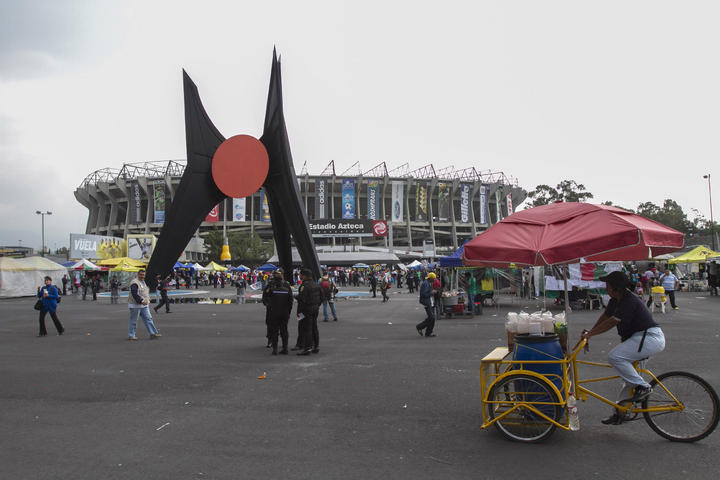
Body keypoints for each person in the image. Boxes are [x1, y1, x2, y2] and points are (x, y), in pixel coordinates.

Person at [580, 271, 664, 425]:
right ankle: (620, 412)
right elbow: (606, 317)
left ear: (616, 288)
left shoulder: (629, 300)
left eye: (607, 285)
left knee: (615, 357)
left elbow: (612, 321)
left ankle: (643, 387)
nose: (606, 288)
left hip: (649, 338)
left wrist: (590, 334)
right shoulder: (616, 300)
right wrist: (590, 332)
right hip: (640, 338)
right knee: (629, 379)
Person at [262, 268, 294, 355]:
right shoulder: (271, 284)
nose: (278, 275)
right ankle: (271, 342)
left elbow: (290, 300)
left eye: (279, 273)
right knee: (273, 328)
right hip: (277, 311)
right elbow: (265, 295)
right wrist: (267, 304)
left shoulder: (286, 284)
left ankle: (277, 348)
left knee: (277, 329)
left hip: (275, 311)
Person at [128, 270, 161, 340]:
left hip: (144, 305)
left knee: (148, 318)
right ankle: (131, 335)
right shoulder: (134, 283)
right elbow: (134, 293)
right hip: (135, 305)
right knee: (134, 320)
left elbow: (144, 292)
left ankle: (153, 333)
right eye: (141, 274)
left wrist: (147, 299)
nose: (142, 276)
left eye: (143, 275)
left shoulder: (143, 282)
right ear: (138, 274)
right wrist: (141, 301)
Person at [295, 268, 322, 355]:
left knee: (307, 328)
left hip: (305, 310)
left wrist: (296, 297)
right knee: (314, 327)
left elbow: (302, 298)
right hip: (315, 309)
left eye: (300, 274)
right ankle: (316, 346)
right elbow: (322, 297)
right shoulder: (316, 285)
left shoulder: (304, 286)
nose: (299, 276)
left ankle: (307, 348)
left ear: (304, 276)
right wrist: (316, 305)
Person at [415, 272, 437, 337]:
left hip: (429, 302)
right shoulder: (425, 284)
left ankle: (428, 332)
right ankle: (420, 327)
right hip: (426, 302)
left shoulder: (428, 283)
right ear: (431, 278)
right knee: (431, 317)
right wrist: (432, 292)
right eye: (434, 278)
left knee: (432, 318)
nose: (435, 280)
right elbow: (423, 294)